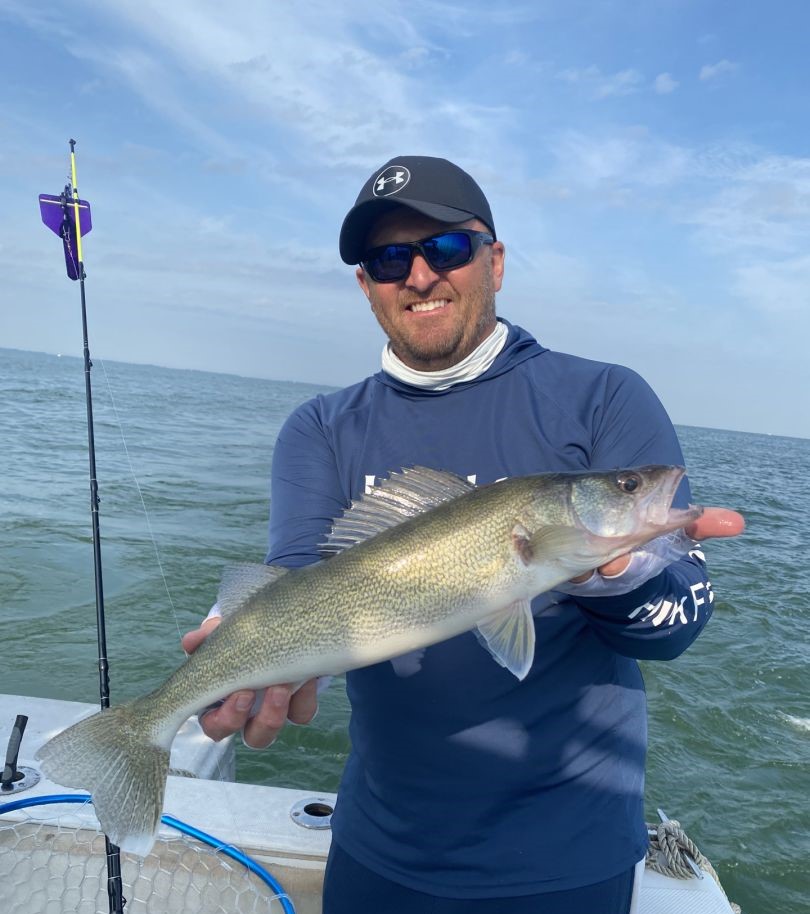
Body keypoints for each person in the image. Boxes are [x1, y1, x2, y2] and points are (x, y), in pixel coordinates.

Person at [183, 156, 743, 913]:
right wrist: (251, 648)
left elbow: (677, 626)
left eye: (445, 247)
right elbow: (297, 575)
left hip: (568, 860)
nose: (418, 275)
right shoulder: (319, 427)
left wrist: (613, 570)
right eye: (388, 259)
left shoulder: (603, 397)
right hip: (379, 846)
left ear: (495, 261)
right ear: (365, 285)